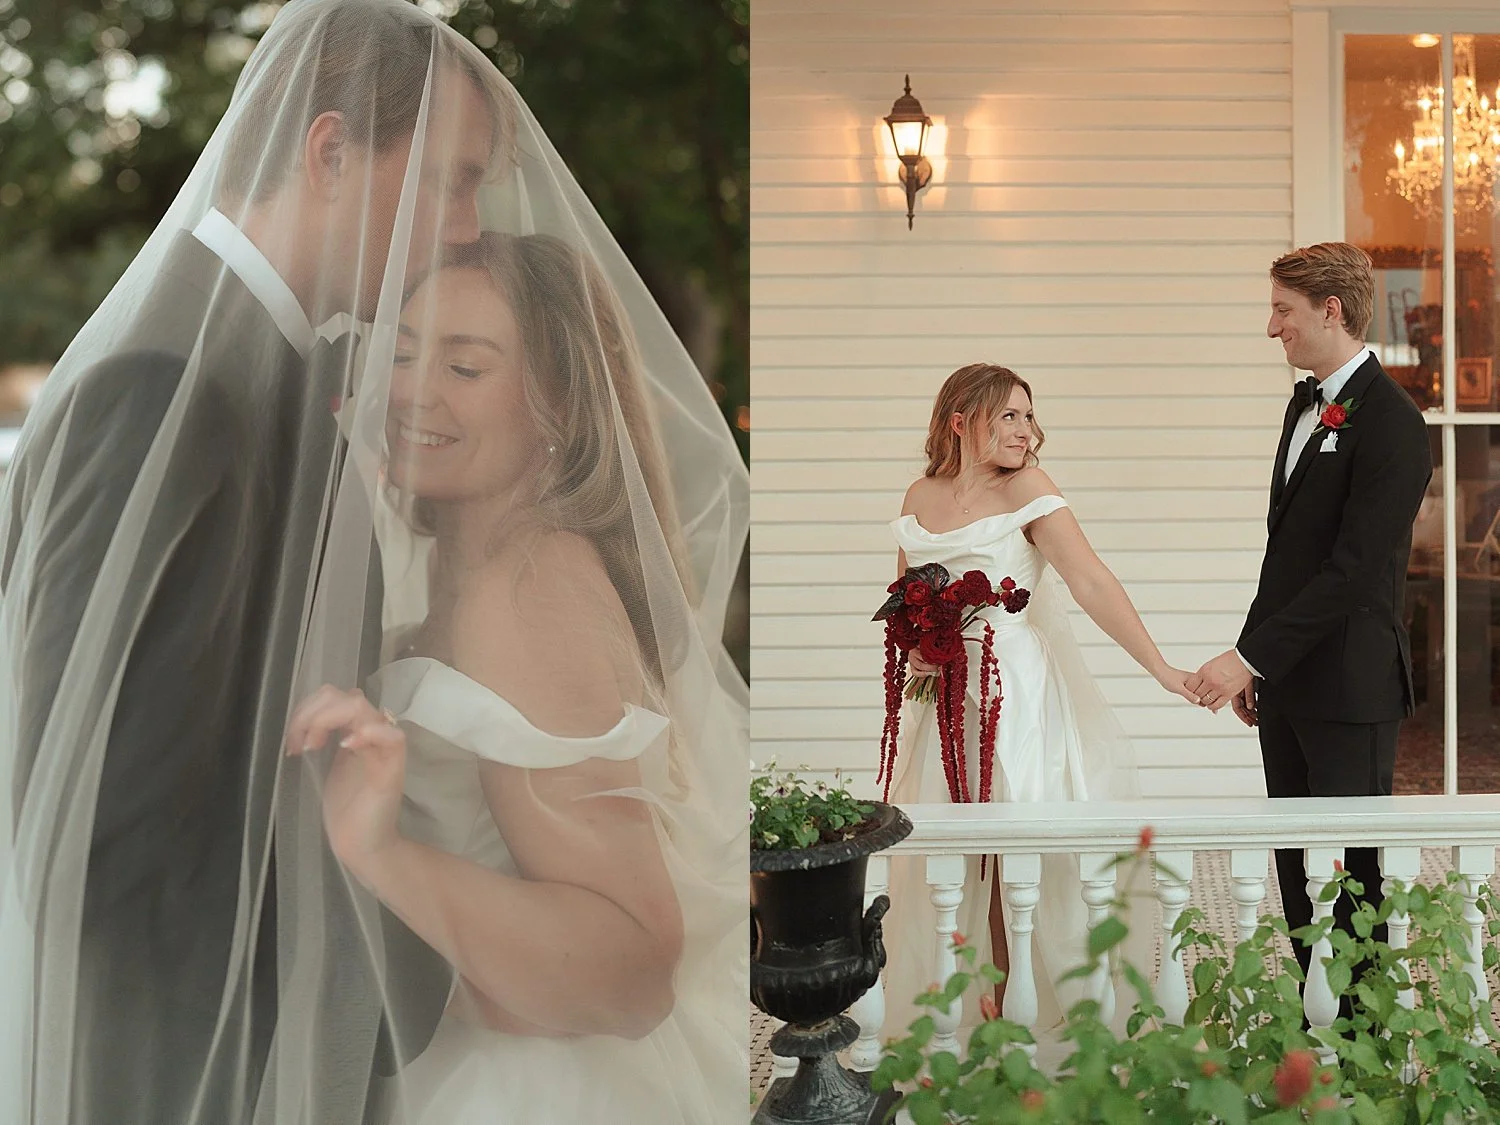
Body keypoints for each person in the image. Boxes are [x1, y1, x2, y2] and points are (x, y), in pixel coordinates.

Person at [0, 2, 747, 1123]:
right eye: (451, 181)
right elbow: (109, 852)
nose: (464, 226)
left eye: (464, 364)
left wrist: (383, 875)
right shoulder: (167, 393)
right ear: (331, 151)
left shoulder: (276, 389)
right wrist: (379, 965)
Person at [285, 231, 745, 1124]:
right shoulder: (469, 562)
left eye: (465, 366)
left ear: (559, 404)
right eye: (404, 353)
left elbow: (632, 969)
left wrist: (381, 852)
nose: (413, 389)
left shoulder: (527, 587)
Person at [881, 362, 1193, 1039]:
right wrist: (918, 647)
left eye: (1029, 415)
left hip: (1014, 693)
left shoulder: (1029, 487)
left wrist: (1161, 668)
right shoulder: (919, 494)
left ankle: (1045, 1018)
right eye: (1009, 416)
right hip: (944, 699)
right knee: (954, 858)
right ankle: (969, 1013)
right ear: (961, 421)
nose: (1026, 430)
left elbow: (1090, 581)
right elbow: (903, 598)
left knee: (1019, 851)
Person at [1194, 242, 1431, 998]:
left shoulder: (1394, 423)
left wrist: (1248, 658)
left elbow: (1352, 573)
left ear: (1331, 311)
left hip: (1352, 686)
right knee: (1293, 860)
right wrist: (1254, 656)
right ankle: (1314, 1008)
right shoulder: (1304, 405)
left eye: (1283, 310)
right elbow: (1288, 559)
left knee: (1355, 870)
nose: (1273, 327)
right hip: (1287, 681)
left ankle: (1363, 1029)